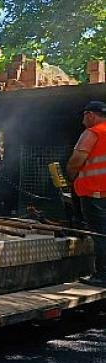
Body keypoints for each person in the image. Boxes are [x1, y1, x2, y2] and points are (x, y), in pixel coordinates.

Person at [67, 100, 106, 285]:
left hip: (94, 193)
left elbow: (76, 161)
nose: (83, 120)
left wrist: (71, 178)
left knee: (100, 234)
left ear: (91, 115)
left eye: (84, 115)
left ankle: (102, 275)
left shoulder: (92, 133)